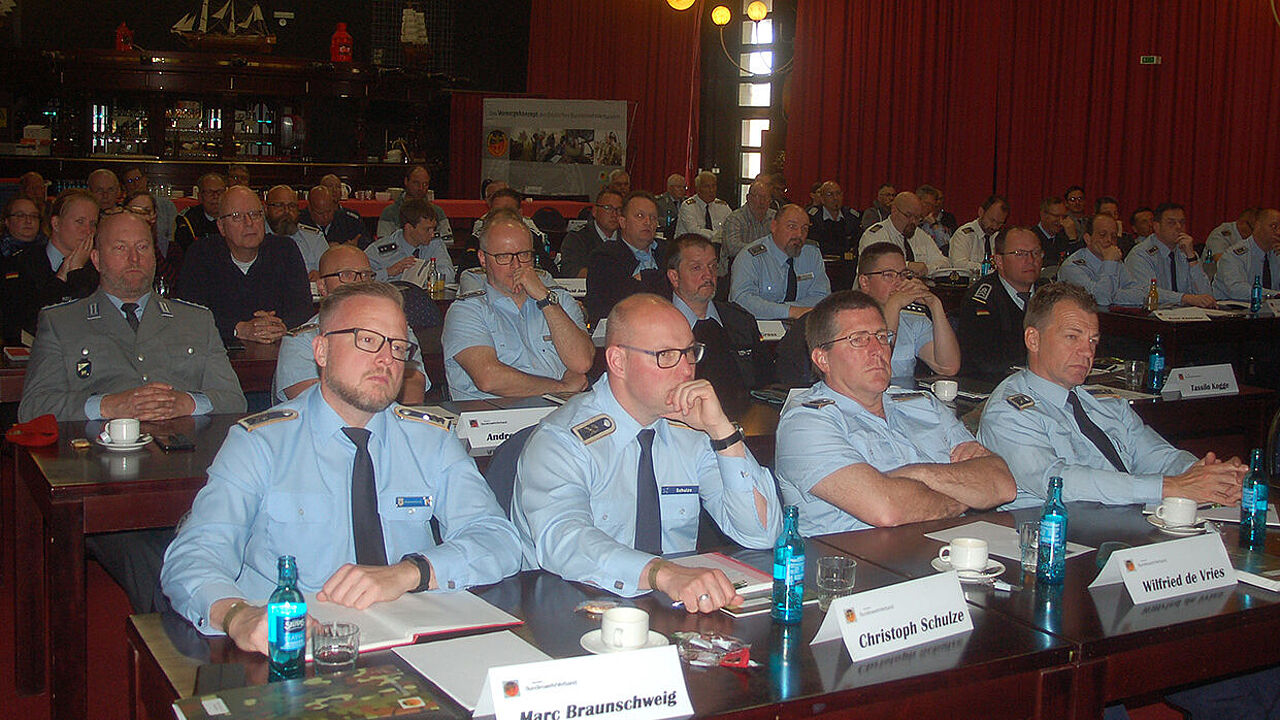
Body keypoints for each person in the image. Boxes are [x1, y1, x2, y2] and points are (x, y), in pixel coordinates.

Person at [161, 281, 522, 647]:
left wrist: (411, 572)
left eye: (398, 347)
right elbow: (194, 555)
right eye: (367, 340)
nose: (386, 359)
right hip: (294, 643)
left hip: (410, 636)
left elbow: (498, 539)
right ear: (321, 350)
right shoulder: (261, 444)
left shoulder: (430, 440)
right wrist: (238, 616)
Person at [20, 209, 246, 612]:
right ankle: (178, 640)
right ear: (96, 258)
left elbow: (233, 399)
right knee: (154, 555)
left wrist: (188, 401)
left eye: (143, 247)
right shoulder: (62, 322)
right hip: (104, 487)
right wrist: (109, 405)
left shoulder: (194, 320)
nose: (134, 258)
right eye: (120, 248)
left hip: (188, 478)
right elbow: (33, 408)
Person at [512, 294, 781, 610]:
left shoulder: (693, 429)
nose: (686, 371)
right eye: (666, 355)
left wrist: (722, 431)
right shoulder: (562, 440)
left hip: (671, 606)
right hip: (573, 604)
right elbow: (564, 540)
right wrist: (661, 573)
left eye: (690, 353)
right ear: (618, 362)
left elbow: (761, 534)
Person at [978, 282, 1245, 508]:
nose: (1087, 352)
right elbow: (1056, 481)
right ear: (1033, 340)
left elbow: (1158, 456)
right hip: (1056, 531)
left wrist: (1206, 474)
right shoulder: (1009, 411)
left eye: (1093, 340)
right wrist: (1170, 487)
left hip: (1129, 523)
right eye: (1072, 337)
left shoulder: (1102, 403)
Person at [774, 290, 1015, 536]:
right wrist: (966, 494)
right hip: (862, 556)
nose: (877, 349)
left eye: (882, 336)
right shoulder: (806, 424)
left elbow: (1003, 484)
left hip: (952, 546)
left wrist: (917, 473)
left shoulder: (923, 404)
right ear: (822, 359)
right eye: (858, 339)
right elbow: (887, 510)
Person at [443, 208, 592, 400]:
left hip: (559, 411)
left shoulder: (558, 300)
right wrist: (560, 387)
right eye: (504, 257)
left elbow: (581, 362)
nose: (516, 265)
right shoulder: (466, 310)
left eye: (524, 255)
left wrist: (545, 298)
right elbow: (489, 378)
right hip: (495, 414)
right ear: (483, 259)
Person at [274, 244, 428, 403]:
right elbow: (312, 403)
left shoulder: (395, 329)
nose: (359, 283)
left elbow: (413, 389)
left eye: (366, 275)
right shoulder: (300, 340)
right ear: (322, 286)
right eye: (346, 275)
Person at [173, 185, 312, 344]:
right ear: (221, 226)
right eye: (237, 216)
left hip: (279, 347)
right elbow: (189, 314)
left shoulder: (285, 249)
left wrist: (282, 326)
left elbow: (303, 307)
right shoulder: (201, 254)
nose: (249, 223)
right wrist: (239, 329)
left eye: (255, 214)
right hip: (219, 351)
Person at [665, 234, 769, 413]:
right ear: (674, 277)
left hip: (746, 419)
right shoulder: (657, 328)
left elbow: (766, 383)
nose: (708, 275)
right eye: (696, 268)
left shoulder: (740, 321)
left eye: (713, 266)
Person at [5, 189, 100, 342]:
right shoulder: (22, 263)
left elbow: (91, 321)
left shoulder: (98, 268)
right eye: (80, 222)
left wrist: (76, 273)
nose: (88, 231)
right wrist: (61, 278)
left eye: (93, 224)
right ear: (56, 223)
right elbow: (25, 322)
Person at [856, 243, 960, 378]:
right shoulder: (848, 320)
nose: (899, 282)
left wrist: (935, 305)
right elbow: (875, 364)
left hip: (904, 391)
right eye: (889, 275)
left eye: (902, 275)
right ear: (865, 282)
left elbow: (949, 367)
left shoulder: (912, 319)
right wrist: (894, 305)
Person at [956, 227, 1044, 378]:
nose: (1031, 260)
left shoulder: (1050, 294)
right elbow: (987, 362)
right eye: (1020, 254)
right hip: (991, 382)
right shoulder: (981, 299)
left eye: (1036, 253)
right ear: (999, 261)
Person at [729, 204, 831, 319]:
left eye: (804, 229)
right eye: (792, 227)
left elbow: (822, 296)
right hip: (759, 325)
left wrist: (791, 310)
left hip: (804, 323)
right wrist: (789, 311)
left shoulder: (812, 254)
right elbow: (742, 300)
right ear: (774, 226)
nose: (799, 234)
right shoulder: (751, 257)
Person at [585, 191, 670, 321]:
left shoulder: (669, 251)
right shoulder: (604, 256)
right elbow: (618, 302)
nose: (648, 222)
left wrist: (642, 278)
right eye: (640, 216)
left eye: (653, 217)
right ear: (623, 222)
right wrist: (658, 277)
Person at [1124, 202, 1216, 308]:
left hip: (1186, 314)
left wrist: (1192, 258)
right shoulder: (1140, 254)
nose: (1179, 227)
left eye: (1182, 222)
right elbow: (1146, 291)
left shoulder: (1187, 251)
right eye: (1171, 223)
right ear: (1156, 227)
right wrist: (1184, 298)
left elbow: (1206, 295)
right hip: (1153, 314)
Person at [1058, 214, 1147, 306]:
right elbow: (1102, 300)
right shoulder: (1071, 267)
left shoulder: (1116, 262)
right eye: (1102, 235)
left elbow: (1141, 295)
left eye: (1113, 236)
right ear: (1088, 239)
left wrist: (1111, 295)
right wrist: (1109, 263)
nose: (1109, 240)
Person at [365, 197, 455, 284]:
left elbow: (448, 274)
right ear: (409, 228)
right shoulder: (380, 251)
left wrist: (419, 275)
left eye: (433, 228)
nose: (432, 234)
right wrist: (388, 272)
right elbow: (361, 279)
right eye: (427, 229)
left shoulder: (434, 243)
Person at [858, 192, 948, 276]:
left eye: (917, 217)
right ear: (894, 210)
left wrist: (927, 269)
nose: (913, 221)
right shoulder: (875, 235)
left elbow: (945, 263)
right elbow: (874, 268)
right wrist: (907, 266)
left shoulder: (920, 235)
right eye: (908, 215)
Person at [1212, 208, 1280, 301]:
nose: (1278, 232)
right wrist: (1275, 295)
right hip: (1231, 306)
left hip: (1269, 307)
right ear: (1257, 226)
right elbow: (1236, 289)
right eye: (1274, 226)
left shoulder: (1276, 253)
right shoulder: (1235, 255)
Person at [265, 185, 328, 277]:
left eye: (292, 206)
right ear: (266, 209)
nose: (287, 211)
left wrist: (322, 276)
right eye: (279, 205)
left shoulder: (314, 239)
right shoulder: (254, 239)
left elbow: (331, 271)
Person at [557, 188, 621, 278]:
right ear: (595, 211)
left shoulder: (628, 238)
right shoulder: (577, 239)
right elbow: (571, 272)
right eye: (608, 208)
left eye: (619, 209)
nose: (614, 214)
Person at [376, 165, 452, 240]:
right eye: (416, 183)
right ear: (406, 181)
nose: (421, 188)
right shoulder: (389, 213)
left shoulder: (437, 212)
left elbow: (447, 241)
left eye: (425, 184)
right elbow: (383, 243)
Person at [121, 164, 179, 261]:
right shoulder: (121, 210)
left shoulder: (167, 206)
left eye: (138, 179)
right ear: (124, 186)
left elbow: (172, 237)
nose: (135, 184)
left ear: (145, 179)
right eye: (130, 181)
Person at [718, 178, 775, 275]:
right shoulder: (735, 218)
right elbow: (732, 248)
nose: (762, 202)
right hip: (738, 269)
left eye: (766, 198)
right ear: (748, 198)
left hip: (768, 268)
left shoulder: (775, 218)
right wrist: (763, 249)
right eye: (758, 197)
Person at [948, 195, 1010, 273]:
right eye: (992, 220)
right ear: (981, 212)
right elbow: (958, 265)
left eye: (1000, 223)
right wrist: (988, 269)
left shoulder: (998, 237)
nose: (995, 226)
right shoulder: (964, 234)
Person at [805, 181, 860, 258]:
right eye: (830, 194)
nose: (835, 198)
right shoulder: (813, 218)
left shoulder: (851, 217)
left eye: (838, 194)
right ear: (822, 199)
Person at [174, 173, 226, 253]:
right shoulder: (188, 220)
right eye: (209, 192)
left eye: (220, 192)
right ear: (200, 197)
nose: (215, 196)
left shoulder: (235, 216)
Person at [300, 184, 364, 247]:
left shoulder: (349, 221)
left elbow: (366, 244)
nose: (326, 217)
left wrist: (353, 249)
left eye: (329, 211)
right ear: (310, 209)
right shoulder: (300, 222)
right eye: (320, 213)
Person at [1203, 207, 1258, 281]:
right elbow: (1220, 260)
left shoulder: (1252, 240)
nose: (1256, 233)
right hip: (1215, 280)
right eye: (1253, 229)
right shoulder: (1221, 233)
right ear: (1242, 223)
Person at [674, 171, 730, 240]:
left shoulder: (722, 207)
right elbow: (694, 232)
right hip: (691, 243)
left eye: (713, 186)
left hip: (717, 244)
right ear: (698, 189)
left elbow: (731, 226)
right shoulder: (688, 206)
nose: (711, 190)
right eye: (707, 187)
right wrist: (718, 235)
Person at [1031, 196, 1077, 269]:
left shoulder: (1065, 235)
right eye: (1056, 216)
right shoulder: (1031, 237)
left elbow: (1077, 263)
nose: (1061, 221)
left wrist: (1073, 238)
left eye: (1064, 217)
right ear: (1043, 215)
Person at [915, 185, 952, 253]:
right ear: (918, 201)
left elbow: (946, 246)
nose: (930, 208)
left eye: (932, 205)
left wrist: (934, 225)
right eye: (927, 204)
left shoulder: (932, 223)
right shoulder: (909, 221)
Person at [654, 173, 687, 239]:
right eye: (678, 187)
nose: (682, 190)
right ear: (669, 188)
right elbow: (656, 219)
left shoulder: (686, 203)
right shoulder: (659, 202)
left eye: (684, 187)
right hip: (666, 235)